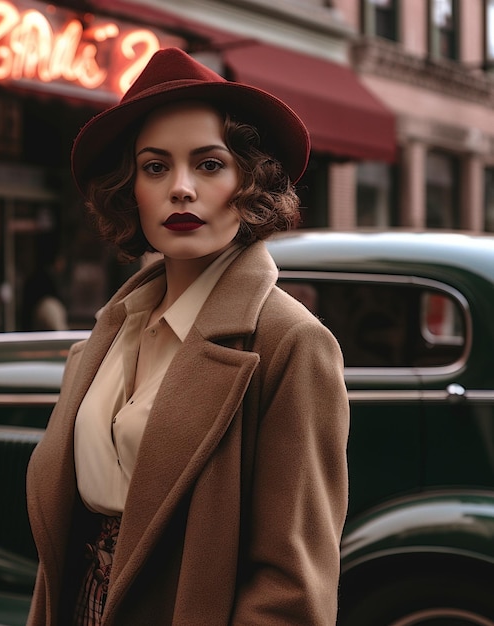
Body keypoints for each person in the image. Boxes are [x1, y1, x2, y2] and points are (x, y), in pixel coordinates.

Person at [26, 47, 349, 626]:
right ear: (132, 192)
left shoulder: (290, 344)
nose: (180, 188)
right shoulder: (105, 338)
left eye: (208, 164)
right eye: (155, 167)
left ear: (250, 183)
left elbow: (292, 588)